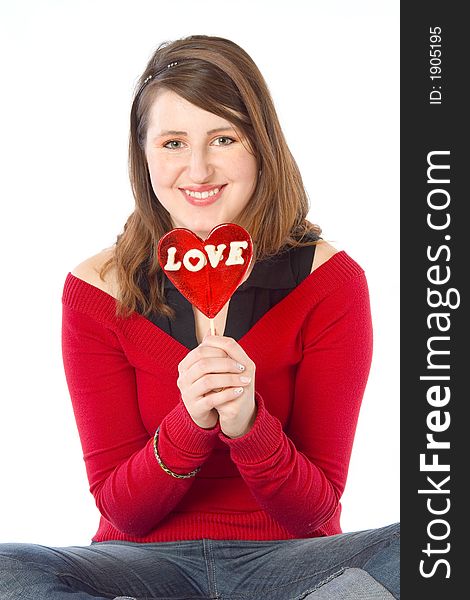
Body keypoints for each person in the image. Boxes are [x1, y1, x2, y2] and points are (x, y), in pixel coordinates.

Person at [0, 35, 399, 599]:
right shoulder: (97, 290)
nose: (199, 167)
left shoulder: (329, 282)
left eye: (223, 137)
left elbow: (314, 512)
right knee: (8, 570)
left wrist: (247, 424)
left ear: (260, 145)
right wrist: (192, 424)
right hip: (139, 566)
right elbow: (125, 511)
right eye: (172, 143)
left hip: (294, 562)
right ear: (143, 155)